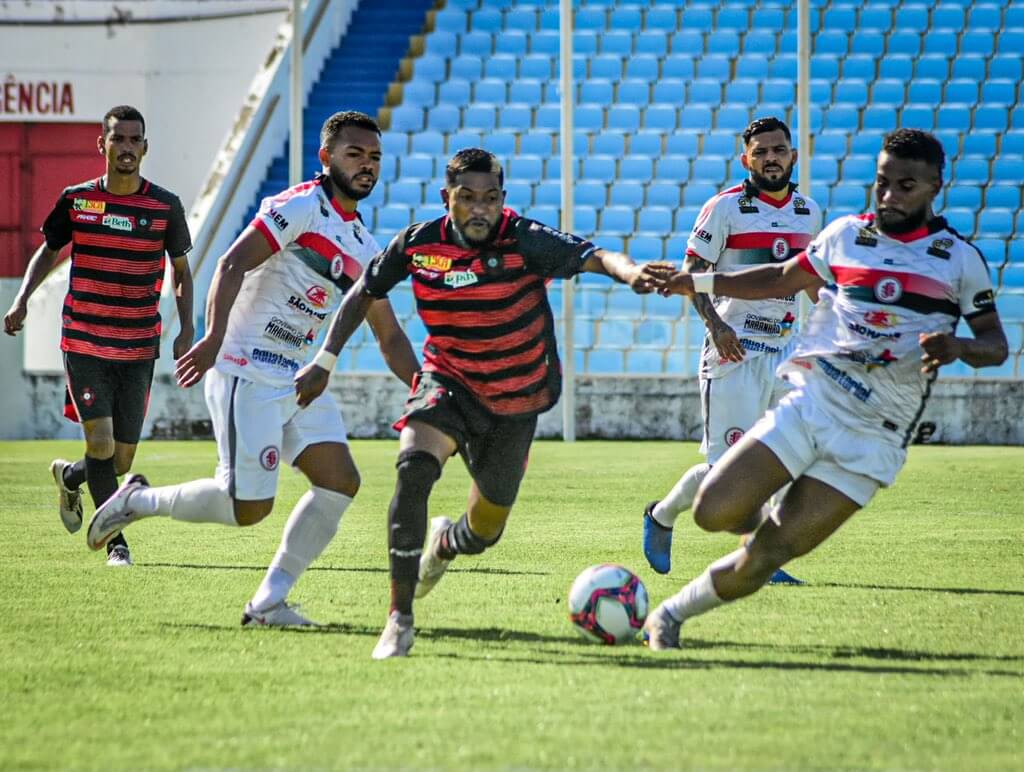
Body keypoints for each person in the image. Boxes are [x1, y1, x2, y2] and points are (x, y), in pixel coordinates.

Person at [294, 148, 672, 658]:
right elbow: (364, 289)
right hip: (447, 381)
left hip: (516, 401)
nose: (479, 209)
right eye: (467, 198)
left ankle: (447, 543)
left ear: (502, 201)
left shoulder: (523, 238)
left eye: (490, 199)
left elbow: (596, 255)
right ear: (446, 197)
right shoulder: (418, 245)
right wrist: (325, 359)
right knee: (412, 469)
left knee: (485, 531)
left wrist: (629, 273)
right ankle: (399, 620)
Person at [643, 129, 1008, 650]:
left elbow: (995, 345)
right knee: (713, 512)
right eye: (882, 183)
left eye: (905, 186)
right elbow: (779, 277)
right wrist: (697, 283)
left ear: (934, 187)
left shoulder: (958, 260)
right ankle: (721, 508)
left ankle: (669, 616)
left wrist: (956, 347)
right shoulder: (842, 235)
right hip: (812, 406)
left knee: (766, 557)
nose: (889, 196)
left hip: (873, 439)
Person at [87, 111, 418, 625]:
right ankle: (140, 500)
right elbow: (231, 263)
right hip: (246, 368)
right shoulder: (302, 206)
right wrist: (214, 338)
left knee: (340, 481)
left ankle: (267, 603)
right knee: (247, 508)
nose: (367, 166)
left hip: (295, 378)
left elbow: (390, 335)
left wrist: (425, 390)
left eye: (374, 157)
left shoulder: (363, 245)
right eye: (355, 154)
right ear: (326, 157)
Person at [3, 105, 194, 567]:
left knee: (120, 461)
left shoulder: (165, 206)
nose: (126, 148)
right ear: (102, 145)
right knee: (103, 447)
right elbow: (47, 252)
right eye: (118, 139)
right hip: (85, 340)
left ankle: (71, 477)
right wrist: (22, 299)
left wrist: (187, 329)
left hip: (138, 346)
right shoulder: (78, 201)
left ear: (145, 148)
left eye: (134, 140)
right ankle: (117, 544)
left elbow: (182, 271)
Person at [643, 117, 822, 585]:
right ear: (746, 159)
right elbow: (692, 273)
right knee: (725, 472)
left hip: (785, 354)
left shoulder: (809, 213)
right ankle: (662, 515)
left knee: (784, 457)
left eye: (778, 150)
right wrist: (716, 325)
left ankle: (763, 559)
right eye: (760, 151)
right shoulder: (724, 209)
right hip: (734, 353)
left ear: (793, 156)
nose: (770, 158)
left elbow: (812, 285)